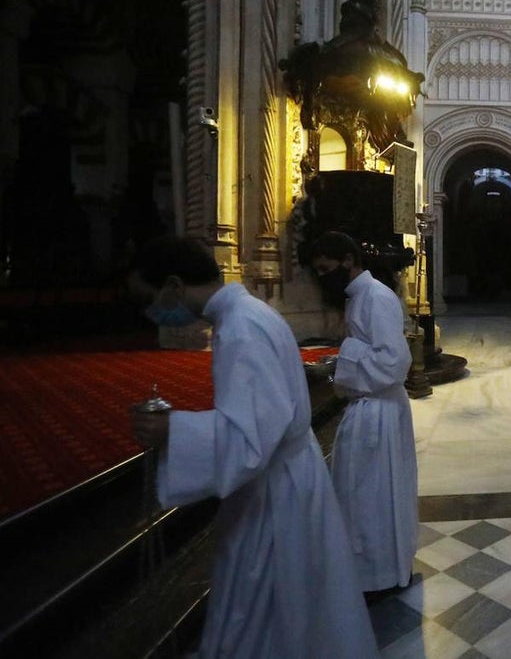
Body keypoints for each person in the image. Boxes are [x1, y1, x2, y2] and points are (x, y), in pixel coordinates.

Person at [127, 236, 377, 659]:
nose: (151, 312)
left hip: (274, 493)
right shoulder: (248, 314)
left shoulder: (241, 328)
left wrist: (174, 430)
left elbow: (251, 441)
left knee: (267, 613)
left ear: (173, 285)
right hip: (287, 477)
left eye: (149, 299)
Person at [310, 231, 418, 596]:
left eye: (326, 268)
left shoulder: (376, 297)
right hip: (369, 405)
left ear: (348, 260)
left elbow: (395, 361)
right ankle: (370, 573)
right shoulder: (358, 296)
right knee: (363, 495)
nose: (323, 277)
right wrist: (343, 360)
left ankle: (382, 576)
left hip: (381, 411)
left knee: (373, 497)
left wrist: (347, 357)